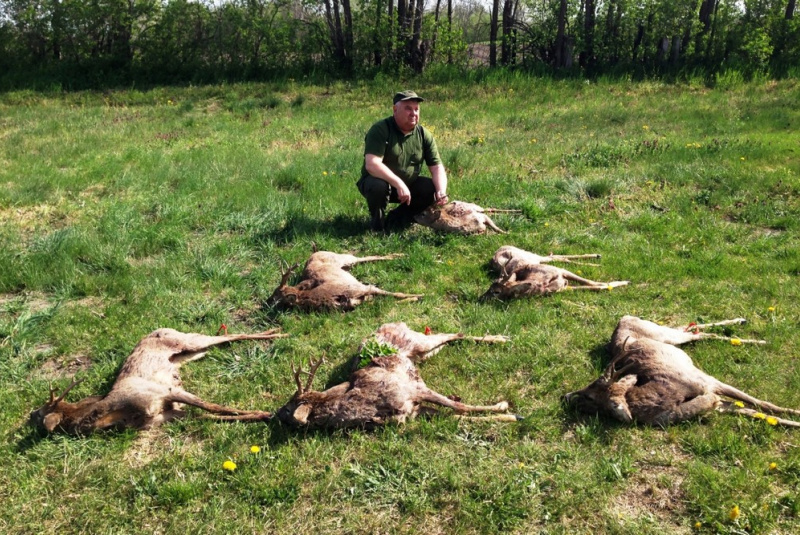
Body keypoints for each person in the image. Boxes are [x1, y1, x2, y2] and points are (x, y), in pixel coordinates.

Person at [356, 90, 449, 231]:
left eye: (416, 109)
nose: (413, 113)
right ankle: (377, 226)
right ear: (395, 109)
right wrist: (398, 183)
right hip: (379, 183)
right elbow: (372, 164)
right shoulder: (381, 129)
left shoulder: (424, 134)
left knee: (430, 188)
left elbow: (436, 167)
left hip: (408, 185)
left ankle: (398, 220)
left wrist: (441, 191)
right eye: (408, 109)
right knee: (378, 186)